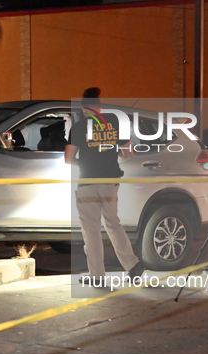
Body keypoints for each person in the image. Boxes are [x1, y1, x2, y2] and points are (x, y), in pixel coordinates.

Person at [65, 87, 145, 286]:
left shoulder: (79, 128)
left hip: (88, 183)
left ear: (84, 109)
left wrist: (83, 163)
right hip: (110, 182)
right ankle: (133, 265)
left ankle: (97, 276)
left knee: (91, 230)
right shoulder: (115, 124)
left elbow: (68, 159)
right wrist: (113, 158)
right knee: (113, 224)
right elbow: (129, 154)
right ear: (99, 107)